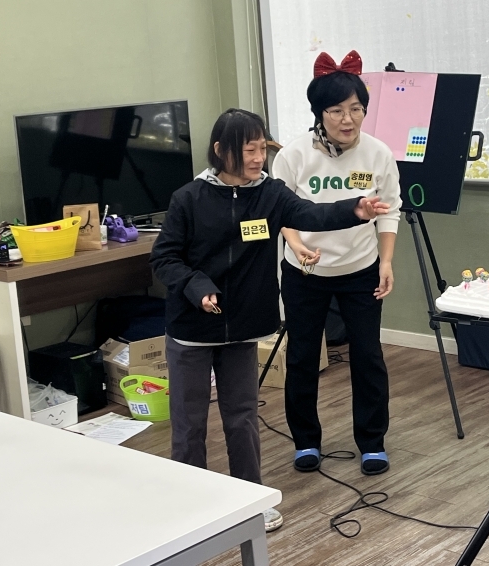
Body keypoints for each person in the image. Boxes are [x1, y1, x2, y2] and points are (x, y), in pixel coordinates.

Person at [150, 108, 390, 533]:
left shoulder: (271, 194)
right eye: (249, 150)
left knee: (242, 418)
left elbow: (311, 215)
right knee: (189, 424)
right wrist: (197, 286)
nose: (259, 157)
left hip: (243, 326)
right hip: (192, 329)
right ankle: (188, 505)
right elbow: (164, 258)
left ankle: (250, 501)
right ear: (221, 150)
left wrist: (355, 209)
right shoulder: (189, 198)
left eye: (262, 148)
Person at [273, 50, 402, 476]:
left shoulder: (378, 153)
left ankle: (372, 443)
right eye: (337, 111)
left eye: (356, 109)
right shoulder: (293, 155)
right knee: (302, 357)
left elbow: (390, 210)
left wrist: (386, 262)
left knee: (368, 356)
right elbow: (278, 211)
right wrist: (296, 244)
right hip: (304, 272)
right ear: (319, 113)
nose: (348, 120)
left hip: (361, 269)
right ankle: (306, 441)